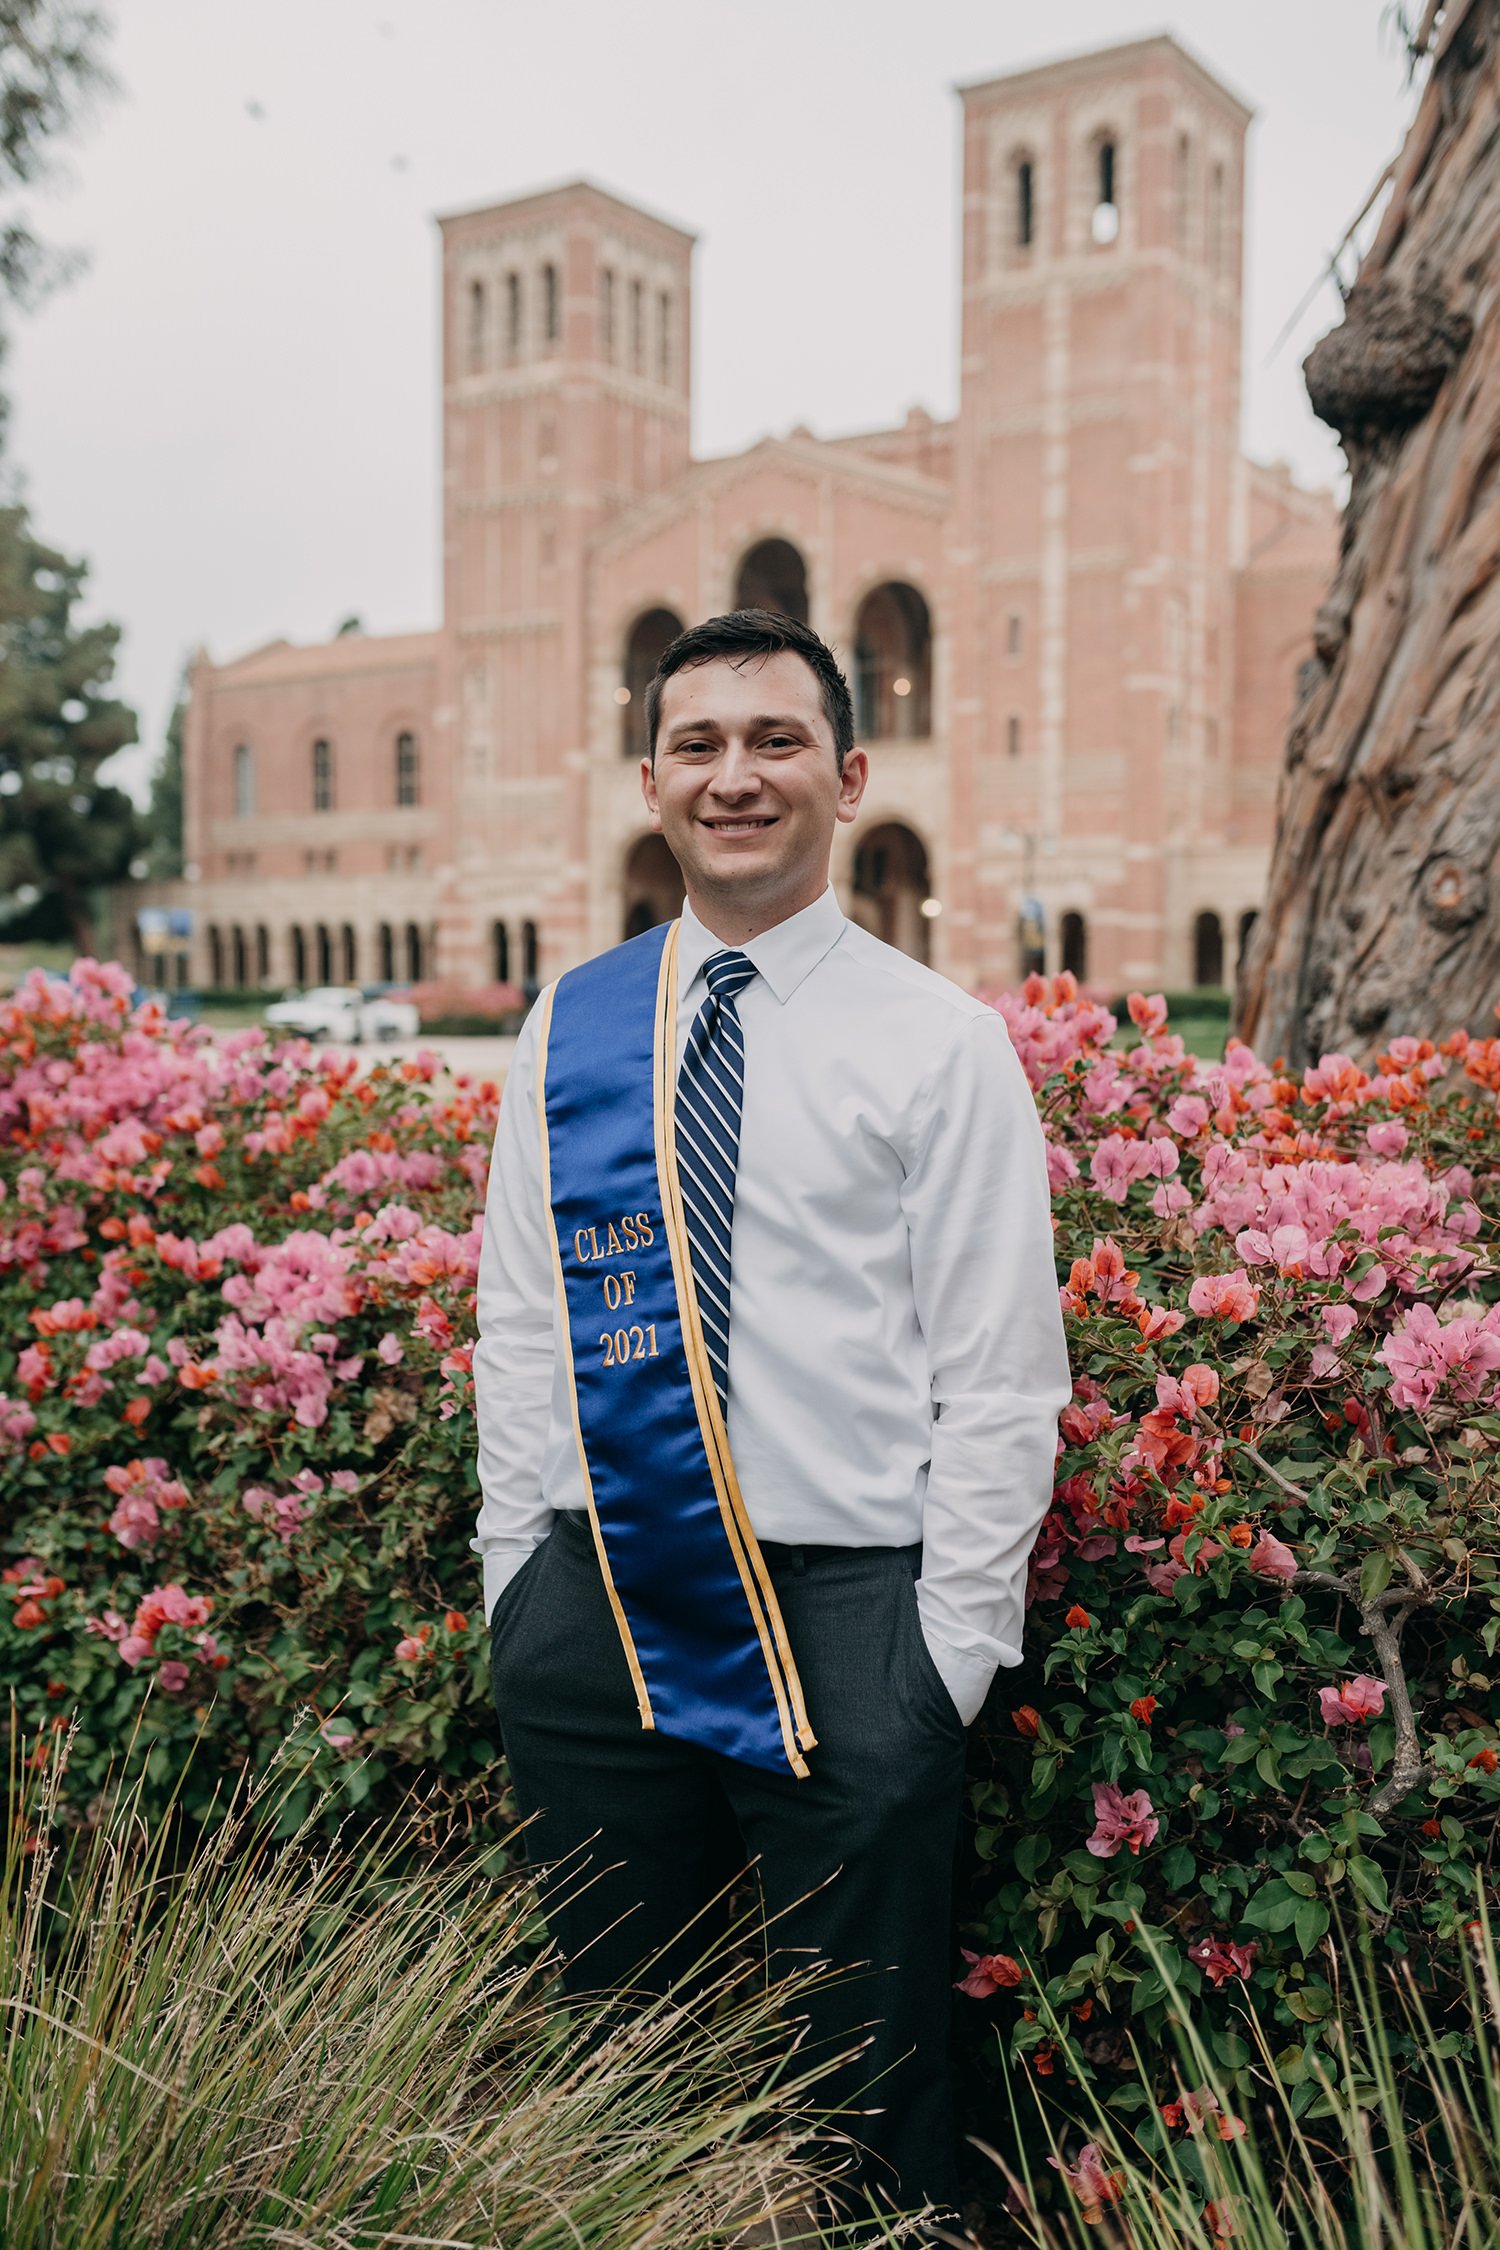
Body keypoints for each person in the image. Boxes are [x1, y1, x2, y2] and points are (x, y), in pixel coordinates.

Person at [473, 608, 1070, 2234]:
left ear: (849, 774)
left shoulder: (939, 1045)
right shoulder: (571, 1028)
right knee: (620, 2066)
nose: (735, 775)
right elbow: (520, 1319)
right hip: (597, 1612)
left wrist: (937, 1661)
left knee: (870, 2085)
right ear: (651, 780)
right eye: (698, 745)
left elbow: (1003, 1373)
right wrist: (517, 1582)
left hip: (848, 1619)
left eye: (776, 740)